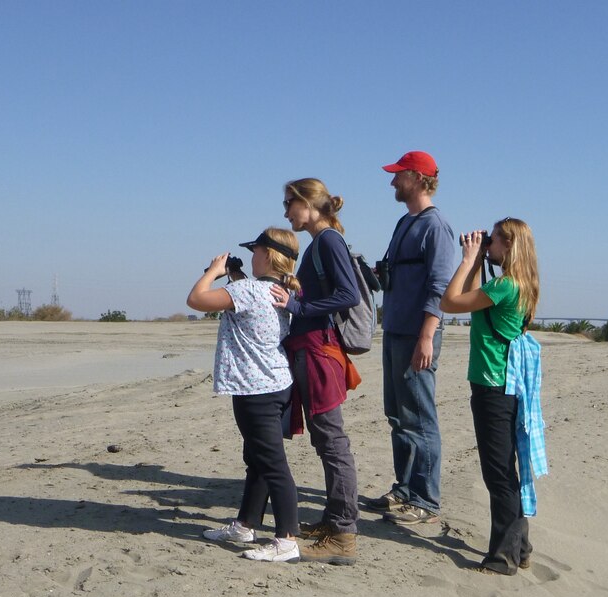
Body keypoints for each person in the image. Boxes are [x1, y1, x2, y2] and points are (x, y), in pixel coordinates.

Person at [186, 227, 302, 563]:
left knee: (273, 464)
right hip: (277, 383)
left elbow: (196, 300)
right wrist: (235, 273)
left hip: (257, 391)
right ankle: (245, 525)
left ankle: (287, 539)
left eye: (255, 251)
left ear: (267, 255)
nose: (251, 257)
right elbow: (249, 298)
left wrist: (214, 271)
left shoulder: (250, 291)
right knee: (259, 460)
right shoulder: (280, 289)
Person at [440, 218, 544, 575]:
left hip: (493, 387)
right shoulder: (521, 284)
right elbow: (471, 303)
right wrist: (480, 259)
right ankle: (521, 547)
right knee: (505, 469)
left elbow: (450, 302)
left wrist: (469, 259)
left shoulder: (504, 285)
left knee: (498, 474)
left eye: (494, 240)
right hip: (504, 386)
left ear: (510, 245)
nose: (489, 244)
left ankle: (503, 556)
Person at [271, 178, 361, 565]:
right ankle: (333, 521)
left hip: (319, 351)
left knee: (331, 440)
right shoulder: (321, 243)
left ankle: (343, 533)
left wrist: (298, 306)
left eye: (289, 202)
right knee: (327, 440)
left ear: (308, 203)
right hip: (313, 349)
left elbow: (349, 295)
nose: (286, 211)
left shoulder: (327, 241)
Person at [369, 151, 455, 524]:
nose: (392, 182)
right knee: (397, 415)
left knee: (420, 418)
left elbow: (439, 287)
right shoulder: (405, 222)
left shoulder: (436, 226)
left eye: (398, 175)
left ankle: (426, 500)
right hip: (395, 331)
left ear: (418, 179)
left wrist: (426, 337)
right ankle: (404, 490)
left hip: (417, 335)